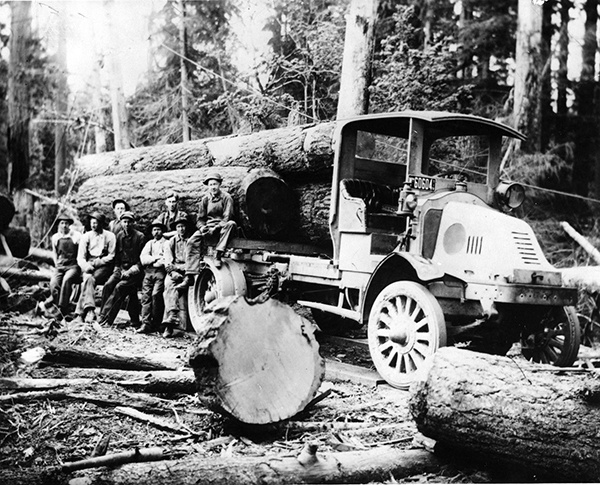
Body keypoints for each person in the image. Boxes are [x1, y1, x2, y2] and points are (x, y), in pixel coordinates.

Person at [176, 172, 236, 290]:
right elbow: (200, 219)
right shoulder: (205, 199)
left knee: (231, 224)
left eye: (215, 184)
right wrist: (203, 228)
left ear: (220, 184)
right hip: (208, 228)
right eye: (210, 185)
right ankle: (189, 275)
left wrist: (217, 227)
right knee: (192, 241)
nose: (213, 187)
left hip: (221, 227)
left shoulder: (226, 198)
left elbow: (227, 217)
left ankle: (218, 254)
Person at [98, 211, 146, 327]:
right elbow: (117, 257)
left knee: (120, 287)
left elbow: (142, 261)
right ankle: (102, 315)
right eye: (124, 222)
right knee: (108, 285)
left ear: (133, 223)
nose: (127, 224)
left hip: (135, 272)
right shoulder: (119, 236)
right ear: (121, 223)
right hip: (121, 268)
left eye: (129, 222)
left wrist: (130, 271)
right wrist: (116, 268)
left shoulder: (140, 237)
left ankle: (107, 318)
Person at [76, 211, 116, 322]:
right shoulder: (86, 236)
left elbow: (111, 256)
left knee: (90, 279)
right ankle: (89, 311)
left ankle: (80, 314)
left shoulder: (110, 236)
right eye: (93, 223)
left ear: (102, 224)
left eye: (97, 223)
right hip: (89, 265)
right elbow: (80, 257)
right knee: (88, 279)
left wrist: (98, 262)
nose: (94, 225)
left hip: (104, 266)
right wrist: (86, 266)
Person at [41, 211, 82, 318]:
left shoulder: (76, 236)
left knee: (66, 280)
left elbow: (82, 251)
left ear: (69, 224)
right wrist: (56, 264)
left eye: (66, 223)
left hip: (73, 266)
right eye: (62, 223)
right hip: (60, 266)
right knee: (53, 284)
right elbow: (54, 253)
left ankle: (62, 309)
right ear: (59, 224)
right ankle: (60, 306)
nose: (64, 225)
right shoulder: (55, 237)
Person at [137, 219, 169, 334]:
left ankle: (156, 323)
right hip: (149, 272)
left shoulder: (166, 243)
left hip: (160, 272)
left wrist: (154, 260)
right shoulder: (150, 243)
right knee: (145, 296)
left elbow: (165, 260)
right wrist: (155, 259)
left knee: (156, 295)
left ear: (162, 231)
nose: (156, 232)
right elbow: (143, 258)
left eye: (158, 230)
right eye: (154, 230)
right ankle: (145, 323)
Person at [162, 214, 190, 338]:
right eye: (179, 227)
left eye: (183, 226)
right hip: (174, 272)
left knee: (174, 289)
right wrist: (173, 272)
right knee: (168, 285)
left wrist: (179, 268)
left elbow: (193, 262)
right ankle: (171, 318)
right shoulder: (171, 242)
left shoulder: (191, 241)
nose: (181, 229)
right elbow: (168, 262)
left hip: (188, 272)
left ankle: (170, 324)